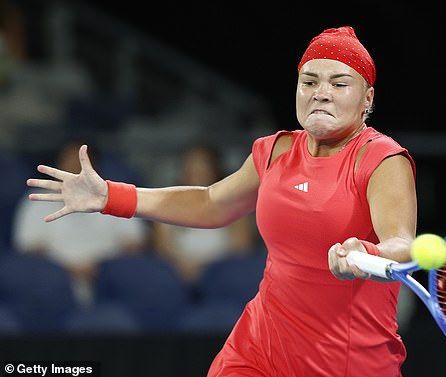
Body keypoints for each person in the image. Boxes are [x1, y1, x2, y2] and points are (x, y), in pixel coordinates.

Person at [26, 26, 417, 376]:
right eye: (309, 81)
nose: (321, 94)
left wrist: (366, 252)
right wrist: (111, 195)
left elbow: (401, 243)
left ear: (367, 98)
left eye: (339, 84)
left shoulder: (381, 158)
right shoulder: (275, 150)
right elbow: (213, 203)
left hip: (345, 362)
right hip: (259, 348)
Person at [15, 139, 148, 306]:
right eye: (67, 161)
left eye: (80, 163)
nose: (72, 168)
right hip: (52, 281)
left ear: (94, 168)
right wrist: (67, 272)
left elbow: (134, 244)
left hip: (108, 278)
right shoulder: (36, 199)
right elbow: (29, 250)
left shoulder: (115, 197)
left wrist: (99, 269)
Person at [152, 143, 257, 286]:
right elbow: (162, 254)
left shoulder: (236, 204)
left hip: (223, 279)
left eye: (203, 168)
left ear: (215, 170)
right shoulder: (165, 205)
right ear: (183, 171)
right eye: (192, 168)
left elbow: (241, 252)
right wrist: (184, 270)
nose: (198, 173)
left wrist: (208, 271)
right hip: (178, 278)